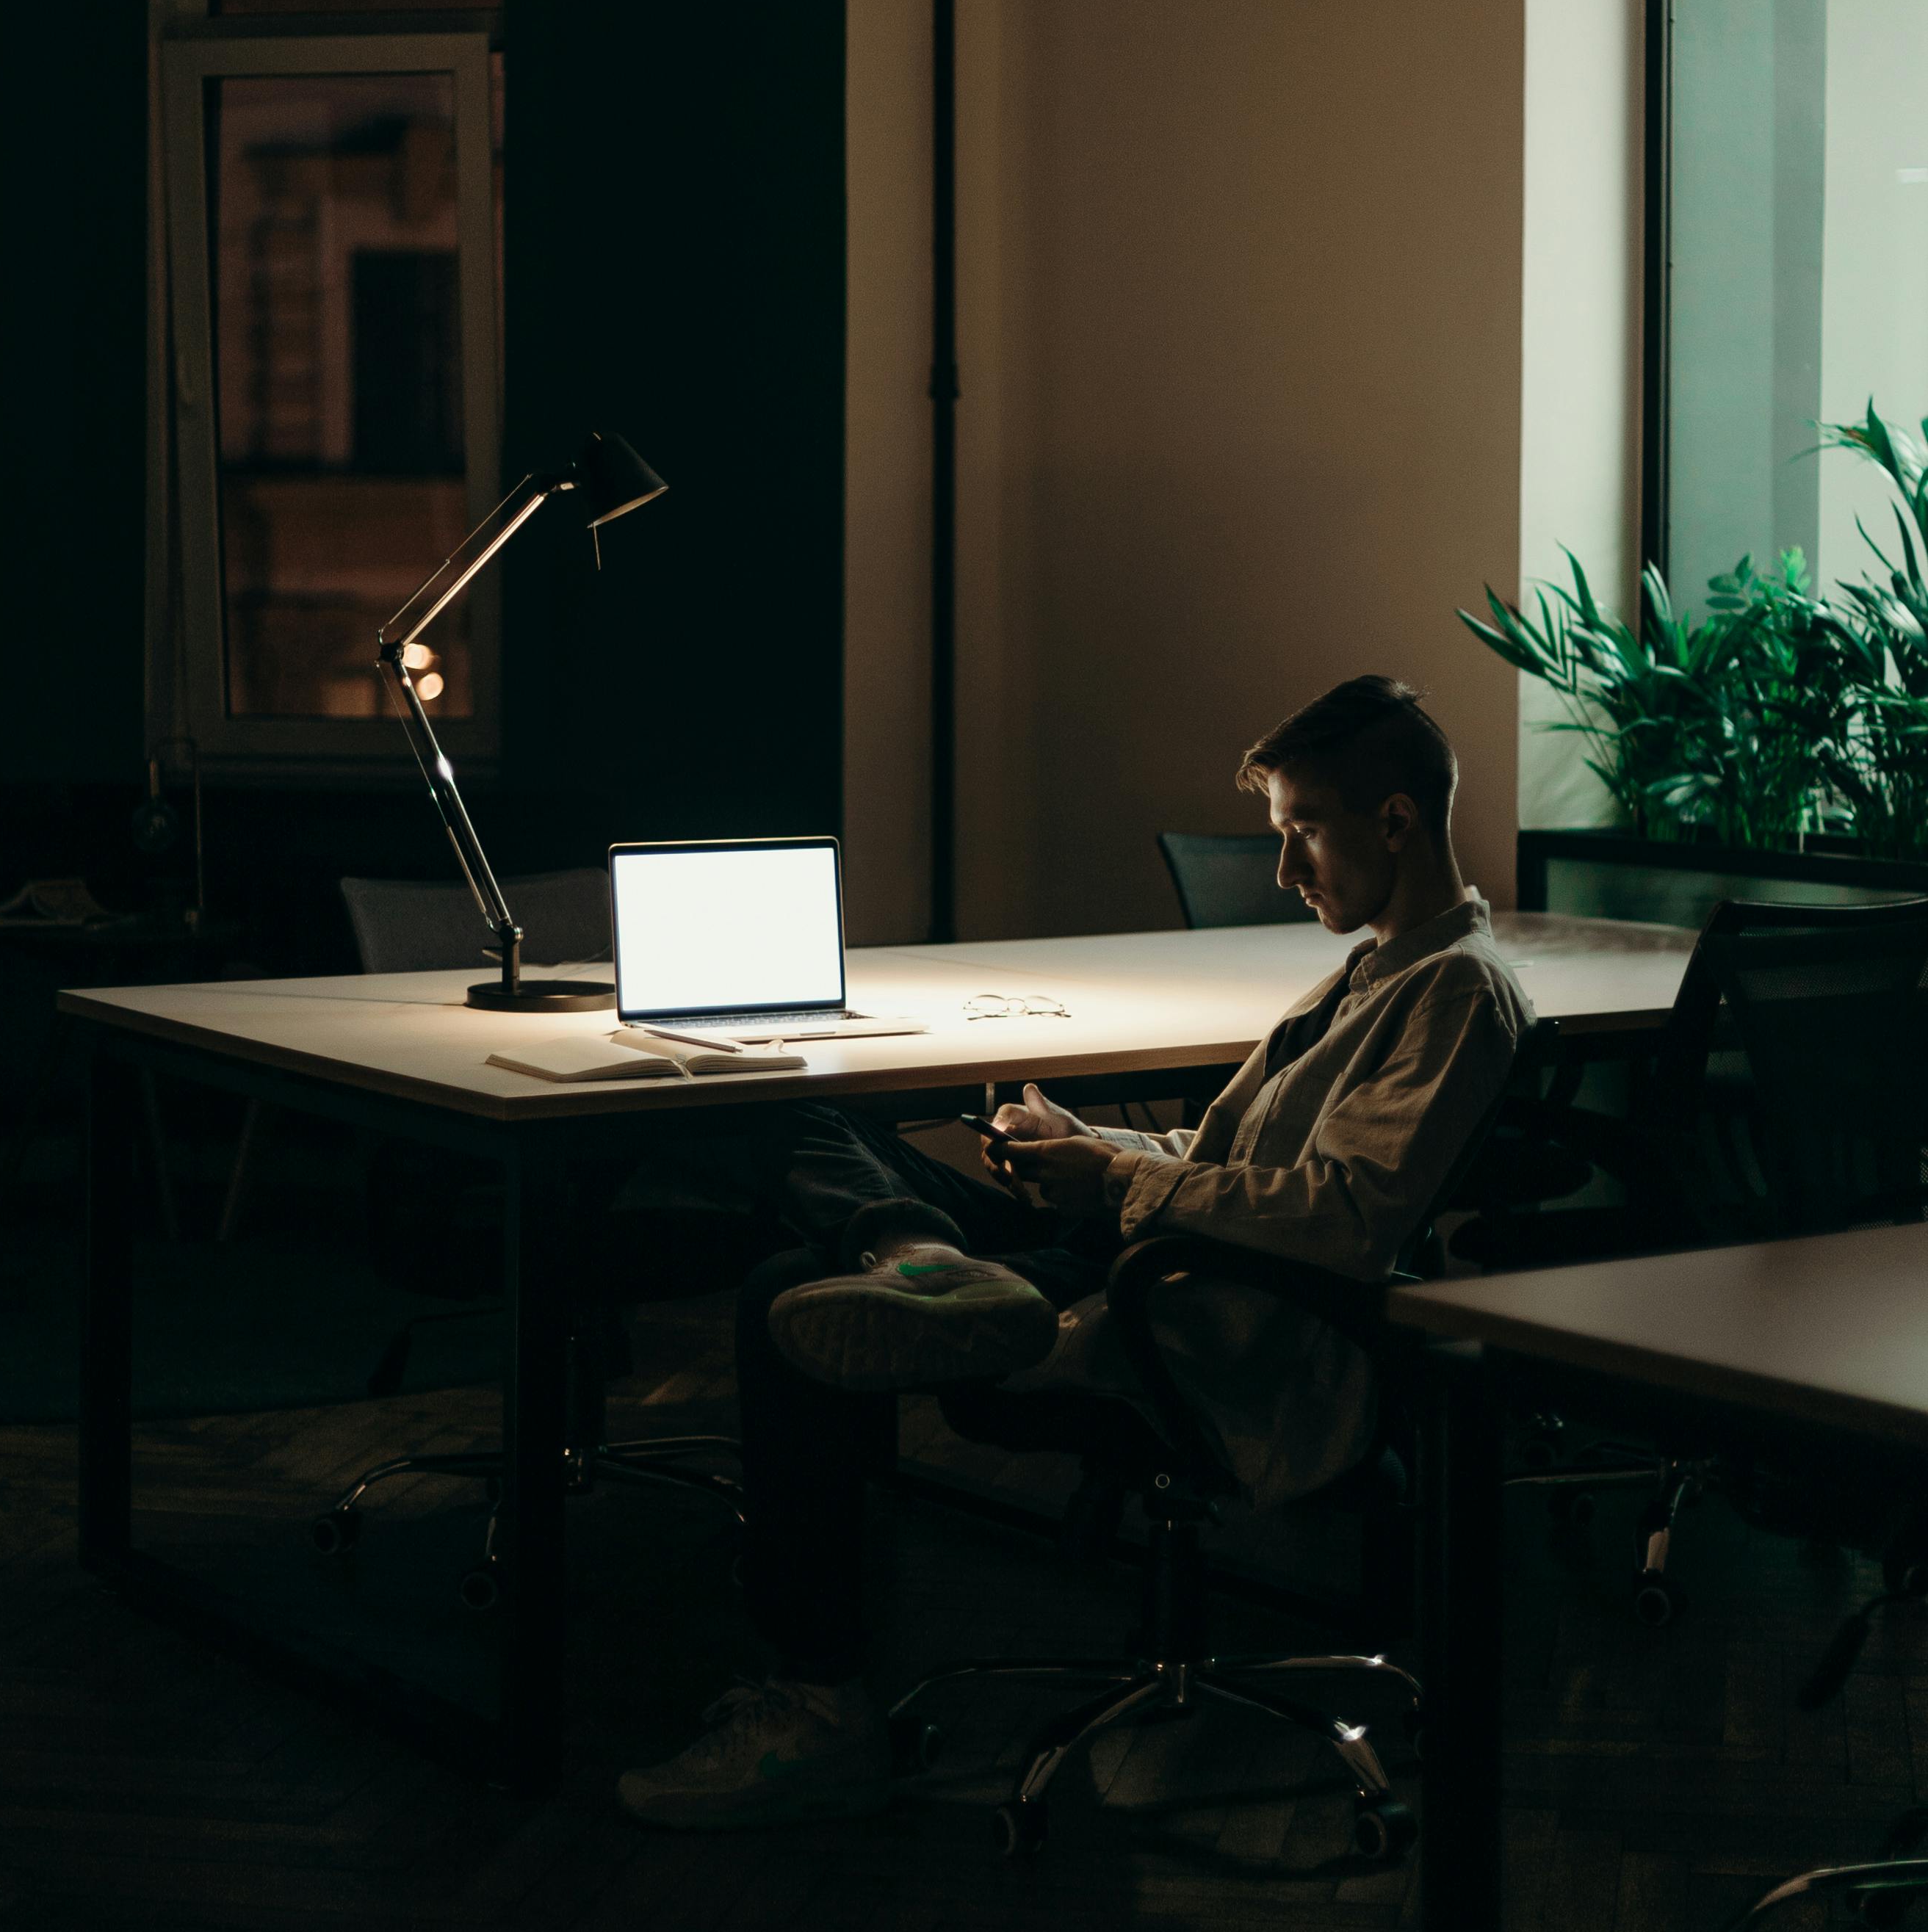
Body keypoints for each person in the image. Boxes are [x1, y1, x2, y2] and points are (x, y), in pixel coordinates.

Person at [617, 675, 1531, 1831]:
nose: (1286, 871)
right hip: (1154, 1248)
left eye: (1302, 832)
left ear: (1393, 820)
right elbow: (1229, 1154)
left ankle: (818, 1700)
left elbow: (1340, 1218)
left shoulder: (1458, 993)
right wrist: (1086, 1145)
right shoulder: (1378, 970)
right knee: (785, 1104)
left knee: (781, 1293)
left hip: (1198, 1308)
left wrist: (1116, 1183)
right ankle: (915, 1252)